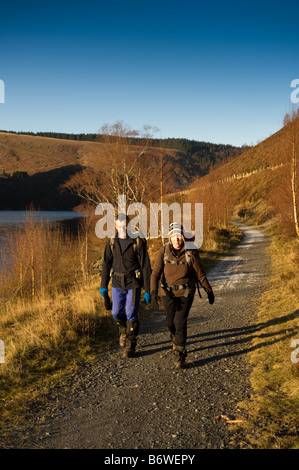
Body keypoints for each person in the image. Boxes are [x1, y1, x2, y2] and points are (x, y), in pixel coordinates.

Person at [150, 222, 214, 368]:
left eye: (179, 236)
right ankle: (175, 338)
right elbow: (155, 274)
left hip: (186, 292)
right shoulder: (163, 251)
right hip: (167, 293)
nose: (177, 239)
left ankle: (180, 354)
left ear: (183, 237)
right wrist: (153, 292)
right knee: (170, 322)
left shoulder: (191, 251)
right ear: (170, 237)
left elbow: (200, 274)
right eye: (174, 236)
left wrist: (208, 290)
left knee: (180, 322)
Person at [100, 213, 151, 358]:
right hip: (116, 282)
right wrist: (103, 286)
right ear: (115, 226)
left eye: (125, 225)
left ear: (129, 225)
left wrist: (148, 290)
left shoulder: (138, 241)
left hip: (133, 283)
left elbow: (146, 267)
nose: (122, 228)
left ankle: (130, 345)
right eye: (119, 225)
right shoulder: (111, 242)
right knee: (116, 313)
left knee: (131, 313)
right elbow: (105, 265)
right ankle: (123, 330)